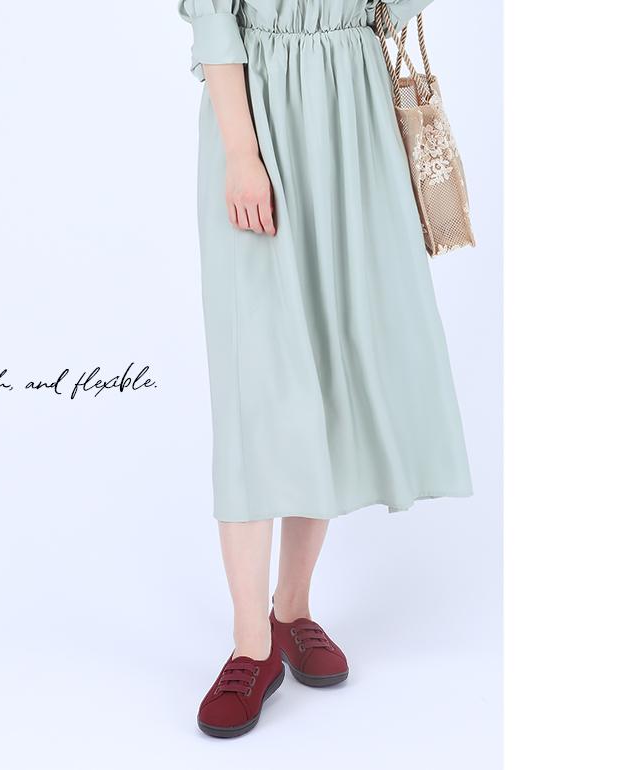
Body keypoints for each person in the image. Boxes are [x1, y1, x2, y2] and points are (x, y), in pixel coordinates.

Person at [178, 0, 473, 738]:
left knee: (329, 362)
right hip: (258, 112)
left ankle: (292, 610)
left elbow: (394, 10)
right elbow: (212, 17)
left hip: (356, 120)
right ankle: (251, 646)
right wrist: (241, 154)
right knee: (254, 384)